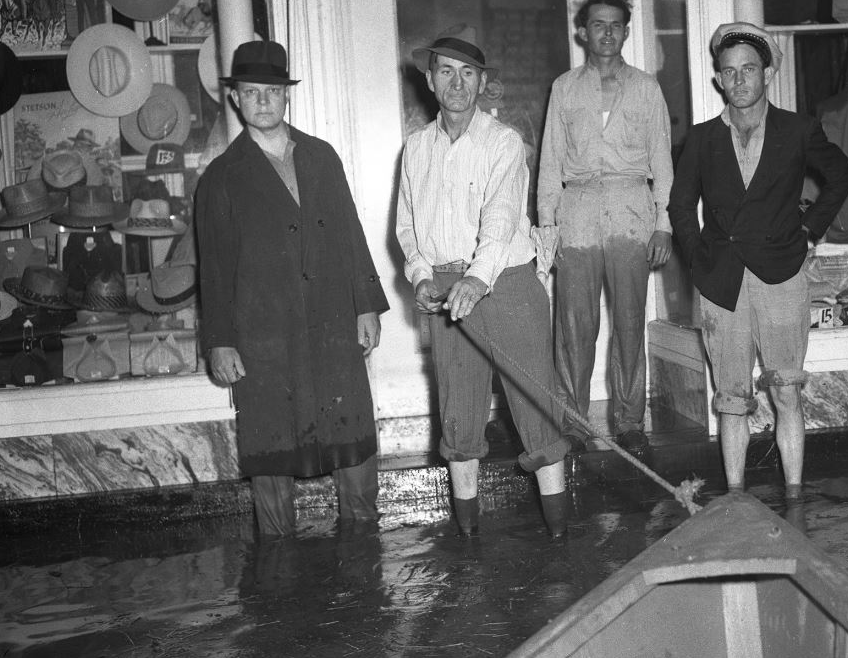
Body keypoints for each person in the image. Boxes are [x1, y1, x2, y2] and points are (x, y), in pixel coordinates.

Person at [195, 40, 388, 536]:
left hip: (331, 322)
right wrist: (219, 340)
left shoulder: (322, 157)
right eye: (251, 91)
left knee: (353, 439)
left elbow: (351, 234)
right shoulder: (220, 179)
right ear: (235, 98)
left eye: (272, 91)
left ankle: (364, 553)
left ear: (286, 96)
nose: (263, 100)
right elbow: (212, 269)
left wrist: (366, 306)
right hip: (263, 335)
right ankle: (279, 568)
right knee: (270, 448)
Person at [396, 28, 571, 538]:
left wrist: (476, 277)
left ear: (481, 82)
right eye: (446, 71)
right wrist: (422, 276)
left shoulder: (504, 142)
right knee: (459, 412)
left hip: (508, 281)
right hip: (449, 285)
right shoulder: (415, 149)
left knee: (537, 408)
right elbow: (407, 225)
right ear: (430, 80)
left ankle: (560, 537)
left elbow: (499, 217)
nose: (458, 82)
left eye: (468, 73)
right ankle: (468, 540)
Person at [668, 23, 848, 495]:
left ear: (767, 73)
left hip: (781, 276)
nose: (738, 81)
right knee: (731, 400)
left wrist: (810, 229)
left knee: (786, 391)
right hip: (722, 283)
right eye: (728, 72)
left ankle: (794, 497)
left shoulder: (798, 130)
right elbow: (678, 205)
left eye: (748, 69)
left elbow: (842, 175)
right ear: (718, 80)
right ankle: (735, 498)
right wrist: (698, 260)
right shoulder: (701, 139)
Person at [537, 0, 673, 453]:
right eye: (598, 25)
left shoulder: (647, 88)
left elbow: (663, 159)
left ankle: (629, 421)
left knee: (631, 320)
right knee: (574, 325)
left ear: (626, 31)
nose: (607, 33)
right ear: (583, 32)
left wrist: (664, 222)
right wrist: (546, 227)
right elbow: (550, 161)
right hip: (575, 212)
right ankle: (574, 424)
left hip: (633, 208)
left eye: (616, 25)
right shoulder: (564, 88)